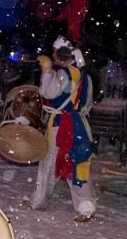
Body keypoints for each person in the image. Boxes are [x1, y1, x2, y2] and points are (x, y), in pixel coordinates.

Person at [28, 41, 96, 223]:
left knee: (50, 162)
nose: (53, 55)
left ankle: (40, 200)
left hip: (61, 124)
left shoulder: (64, 73)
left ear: (65, 54)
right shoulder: (84, 75)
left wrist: (47, 71)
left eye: (55, 52)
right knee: (77, 163)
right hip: (77, 123)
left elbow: (48, 93)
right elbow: (87, 103)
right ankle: (85, 206)